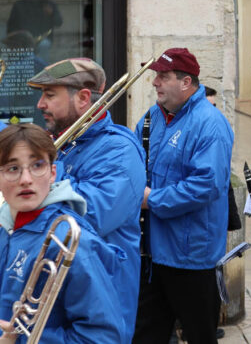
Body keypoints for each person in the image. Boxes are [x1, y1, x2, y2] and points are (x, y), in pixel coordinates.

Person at [28, 58, 145, 344]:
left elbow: (89, 217)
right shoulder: (63, 143)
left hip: (99, 306)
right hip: (58, 297)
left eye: (50, 95)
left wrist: (40, 174)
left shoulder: (119, 150)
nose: (40, 104)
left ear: (83, 98)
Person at [133, 48, 234, 344]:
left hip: (191, 258)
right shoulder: (152, 117)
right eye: (156, 76)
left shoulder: (210, 123)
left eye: (163, 76)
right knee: (145, 335)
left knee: (200, 336)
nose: (155, 82)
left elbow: (206, 186)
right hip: (154, 253)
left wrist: (152, 199)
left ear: (186, 82)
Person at [0, 124, 124, 343]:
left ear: (52, 173)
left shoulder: (73, 242)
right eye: (13, 168)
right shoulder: (6, 228)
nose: (25, 179)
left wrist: (19, 340)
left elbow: (102, 337)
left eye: (37, 166)